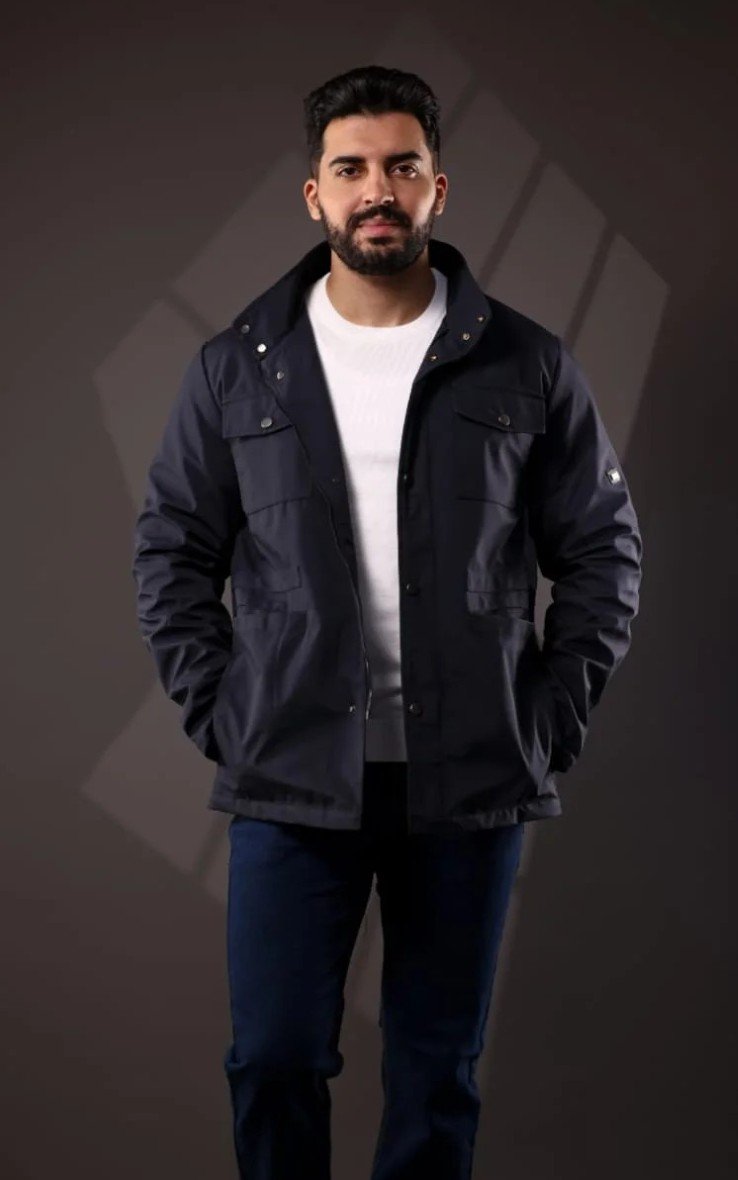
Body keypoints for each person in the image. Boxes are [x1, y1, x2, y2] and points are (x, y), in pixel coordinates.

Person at [132, 64, 642, 1180]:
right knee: (273, 1057)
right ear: (313, 193)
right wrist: (227, 713)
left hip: (470, 780)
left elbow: (604, 554)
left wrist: (547, 720)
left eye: (402, 167)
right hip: (291, 772)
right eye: (351, 168)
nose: (378, 190)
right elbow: (172, 555)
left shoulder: (526, 363)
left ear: (437, 188)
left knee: (436, 1071)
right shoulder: (236, 369)